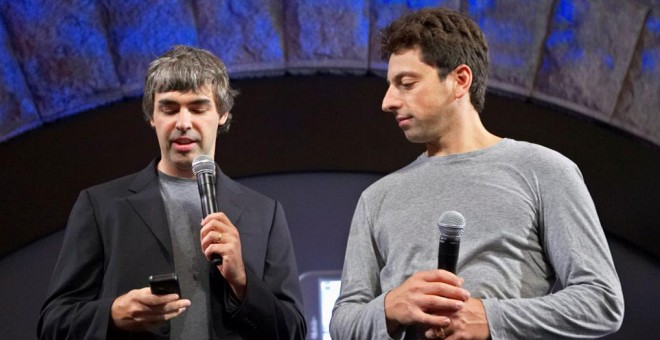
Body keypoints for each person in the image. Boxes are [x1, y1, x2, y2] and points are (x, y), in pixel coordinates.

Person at [330, 7, 624, 339]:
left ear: (460, 80)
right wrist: (389, 307)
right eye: (391, 85)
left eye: (407, 83)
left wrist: (491, 317)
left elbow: (602, 299)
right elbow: (343, 322)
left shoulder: (545, 171)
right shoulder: (376, 198)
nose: (388, 101)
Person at [38, 45, 306, 339]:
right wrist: (113, 314)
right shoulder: (102, 206)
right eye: (169, 108)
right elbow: (53, 323)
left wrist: (242, 281)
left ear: (223, 113)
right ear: (151, 116)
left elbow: (293, 330)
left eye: (198, 108)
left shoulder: (264, 213)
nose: (183, 123)